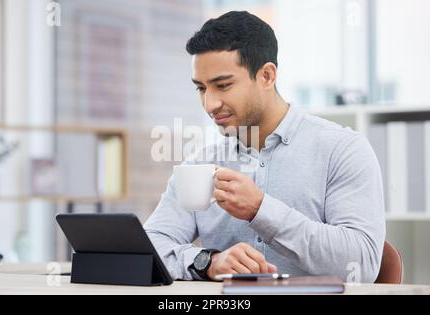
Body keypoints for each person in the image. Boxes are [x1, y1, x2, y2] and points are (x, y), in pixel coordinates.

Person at [144, 11, 385, 282]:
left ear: (267, 76)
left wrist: (261, 209)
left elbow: (361, 265)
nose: (210, 104)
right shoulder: (200, 165)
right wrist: (207, 261)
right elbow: (149, 247)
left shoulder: (342, 150)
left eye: (223, 85)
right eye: (201, 88)